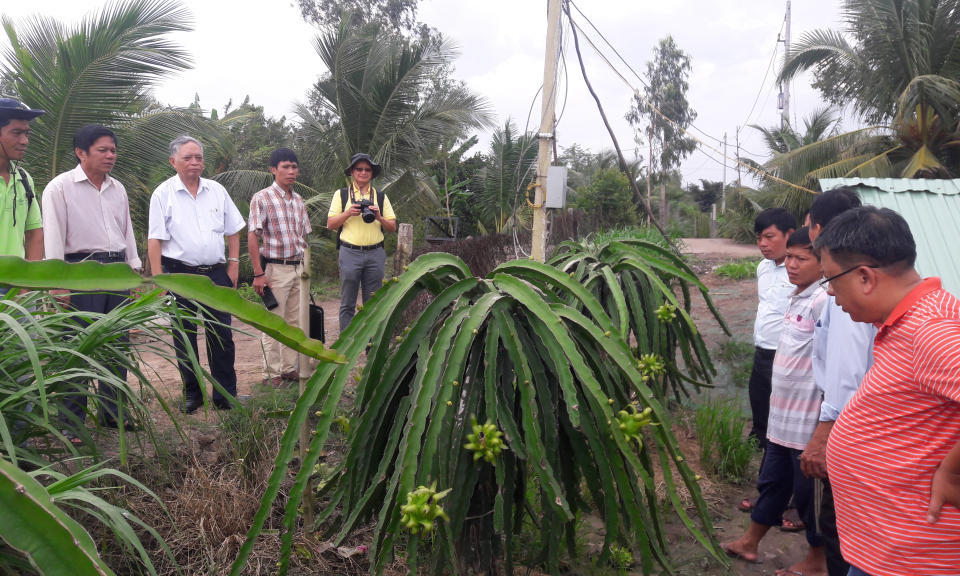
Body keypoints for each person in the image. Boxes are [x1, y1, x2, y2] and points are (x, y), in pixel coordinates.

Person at [816, 207, 960, 576]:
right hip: (886, 549)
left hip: (915, 559)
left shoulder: (932, 328)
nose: (830, 293)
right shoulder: (908, 321)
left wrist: (954, 471)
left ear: (865, 277)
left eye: (831, 279)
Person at [724, 227, 829, 574]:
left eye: (802, 258)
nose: (792, 265)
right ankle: (750, 542)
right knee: (772, 482)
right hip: (782, 419)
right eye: (790, 258)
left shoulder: (824, 302)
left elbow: (831, 369)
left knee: (808, 497)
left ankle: (817, 560)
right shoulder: (797, 297)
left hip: (807, 423)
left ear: (824, 261)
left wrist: (824, 429)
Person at [42, 124, 142, 438]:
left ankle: (115, 415)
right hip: (78, 272)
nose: (110, 155)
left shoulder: (118, 188)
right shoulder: (59, 188)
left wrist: (134, 272)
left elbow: (127, 232)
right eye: (103, 150)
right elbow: (54, 236)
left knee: (117, 345)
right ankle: (71, 424)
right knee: (77, 347)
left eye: (113, 150)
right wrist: (57, 282)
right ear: (81, 152)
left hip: (116, 272)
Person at [799, 189, 876, 576]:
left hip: (851, 427)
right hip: (862, 426)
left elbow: (846, 373)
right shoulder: (869, 280)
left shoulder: (848, 289)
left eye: (809, 225)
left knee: (838, 530)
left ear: (822, 230)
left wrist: (823, 433)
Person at [148, 135, 245, 414]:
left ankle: (225, 395)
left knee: (222, 336)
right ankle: (193, 395)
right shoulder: (162, 194)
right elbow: (154, 240)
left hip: (216, 275)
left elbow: (233, 230)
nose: (194, 162)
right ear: (173, 161)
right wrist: (159, 279)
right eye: (188, 157)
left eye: (199, 157)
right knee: (184, 336)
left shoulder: (217, 190)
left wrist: (234, 263)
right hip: (179, 275)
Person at [248, 148, 312, 387]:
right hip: (274, 269)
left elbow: (302, 236)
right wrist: (258, 273)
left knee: (295, 321)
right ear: (273, 169)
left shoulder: (298, 200)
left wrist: (305, 268)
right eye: (285, 166)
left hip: (298, 268)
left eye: (294, 167)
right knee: (274, 321)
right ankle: (270, 374)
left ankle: (288, 369)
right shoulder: (262, 198)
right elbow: (253, 236)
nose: (291, 171)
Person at [327, 153, 396, 333]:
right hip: (349, 252)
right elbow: (331, 224)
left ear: (372, 173)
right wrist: (348, 213)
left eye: (367, 169)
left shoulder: (380, 197)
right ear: (352, 171)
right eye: (359, 169)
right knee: (347, 302)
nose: (363, 172)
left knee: (373, 303)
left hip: (375, 253)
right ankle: (345, 347)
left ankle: (370, 346)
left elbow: (392, 227)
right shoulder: (341, 195)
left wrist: (378, 216)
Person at [0, 98, 44, 269]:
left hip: (15, 288)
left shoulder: (24, 179)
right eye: (16, 133)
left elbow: (34, 233)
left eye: (26, 134)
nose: (25, 141)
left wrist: (28, 284)